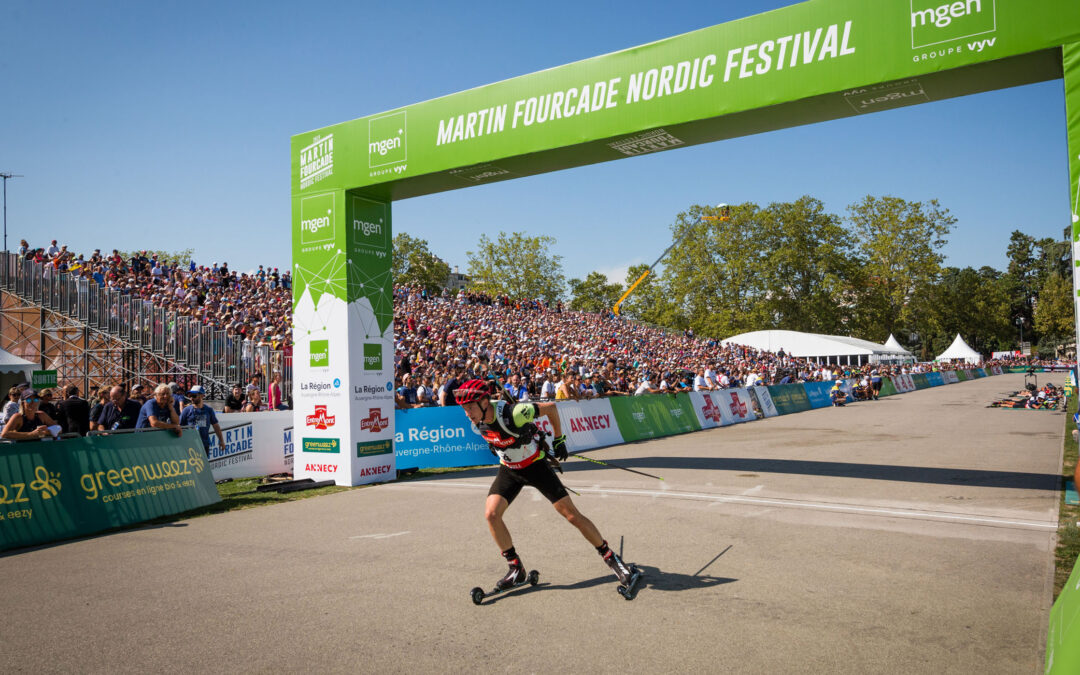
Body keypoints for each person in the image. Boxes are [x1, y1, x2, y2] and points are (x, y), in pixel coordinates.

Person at [453, 379, 638, 593]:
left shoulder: (514, 412)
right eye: (464, 409)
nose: (467, 413)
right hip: (510, 470)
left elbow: (550, 408)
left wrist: (559, 440)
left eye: (469, 407)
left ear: (485, 401)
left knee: (571, 515)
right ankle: (515, 568)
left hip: (534, 466)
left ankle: (612, 558)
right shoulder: (477, 420)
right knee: (491, 514)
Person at [179, 385, 224, 455]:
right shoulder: (186, 410)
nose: (191, 398)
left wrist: (221, 441)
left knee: (204, 466)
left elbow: (216, 426)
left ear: (202, 396)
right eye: (190, 396)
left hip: (204, 444)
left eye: (194, 396)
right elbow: (179, 426)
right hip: (190, 445)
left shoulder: (209, 410)